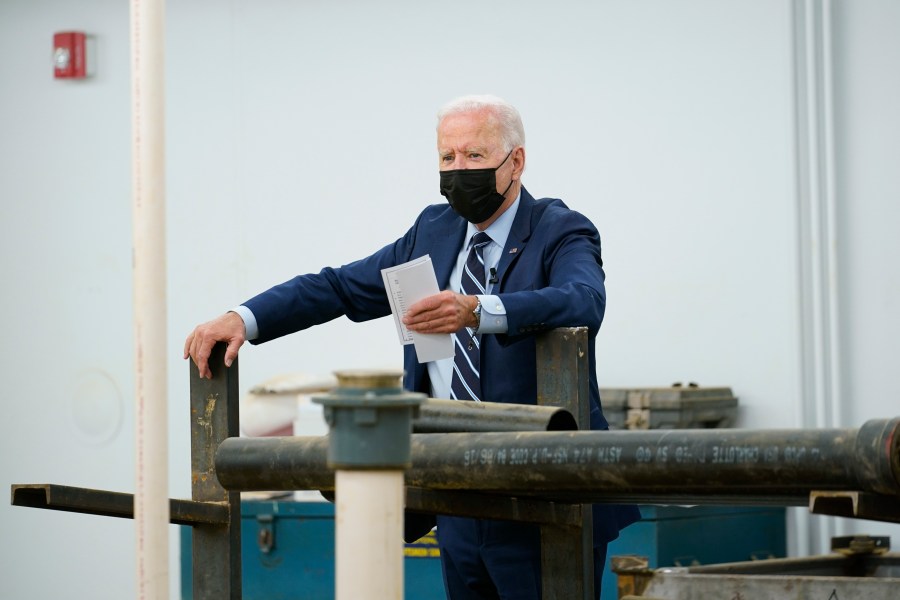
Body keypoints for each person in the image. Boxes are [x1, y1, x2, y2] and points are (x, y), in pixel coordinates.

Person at [184, 94, 640, 599]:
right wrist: (243, 318)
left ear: (517, 161)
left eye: (474, 156)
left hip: (544, 496)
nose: (458, 169)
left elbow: (582, 301)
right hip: (456, 495)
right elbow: (339, 287)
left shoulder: (559, 229)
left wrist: (480, 310)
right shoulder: (433, 230)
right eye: (448, 157)